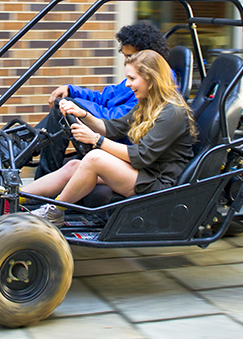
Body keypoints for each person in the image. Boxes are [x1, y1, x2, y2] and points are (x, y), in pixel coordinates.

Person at [23, 49, 197, 227]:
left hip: (159, 183)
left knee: (94, 158)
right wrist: (83, 114)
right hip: (145, 172)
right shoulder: (147, 104)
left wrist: (96, 140)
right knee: (75, 165)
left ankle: (54, 212)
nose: (128, 85)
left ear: (150, 79)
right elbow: (112, 128)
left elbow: (141, 155)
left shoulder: (172, 112)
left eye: (132, 78)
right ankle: (14, 198)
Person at [32, 20, 171, 178]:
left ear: (148, 57)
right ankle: (26, 148)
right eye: (125, 56)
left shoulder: (155, 87)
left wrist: (79, 111)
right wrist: (71, 90)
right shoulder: (137, 81)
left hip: (126, 147)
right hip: (115, 136)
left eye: (130, 56)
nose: (125, 61)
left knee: (64, 109)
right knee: (66, 109)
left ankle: (29, 156)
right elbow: (105, 98)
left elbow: (116, 122)